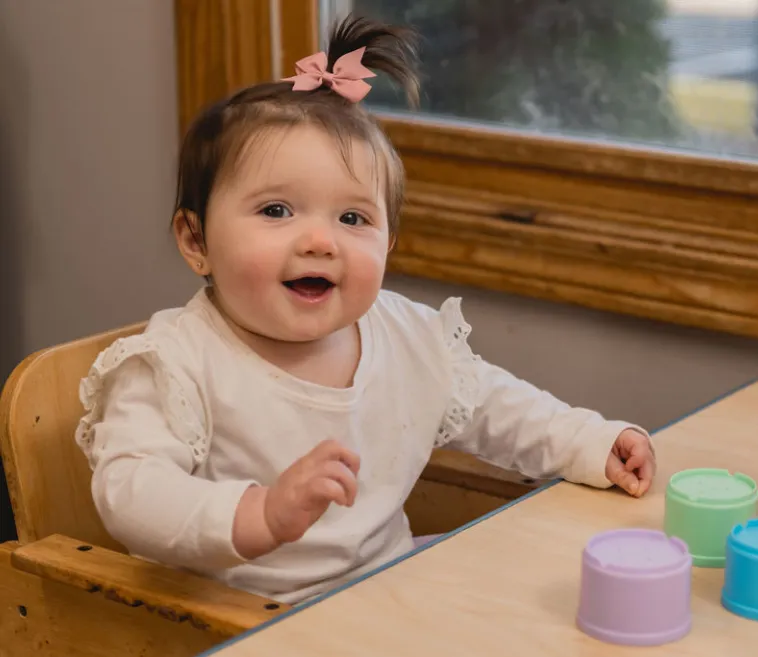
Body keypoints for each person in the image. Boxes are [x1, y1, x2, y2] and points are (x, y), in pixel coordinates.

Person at [74, 15, 657, 605]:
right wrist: (259, 513)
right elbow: (132, 492)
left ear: (389, 244)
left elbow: (499, 408)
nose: (320, 241)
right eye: (276, 211)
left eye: (352, 218)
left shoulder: (408, 337)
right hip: (248, 620)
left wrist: (590, 442)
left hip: (386, 589)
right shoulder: (173, 364)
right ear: (196, 240)